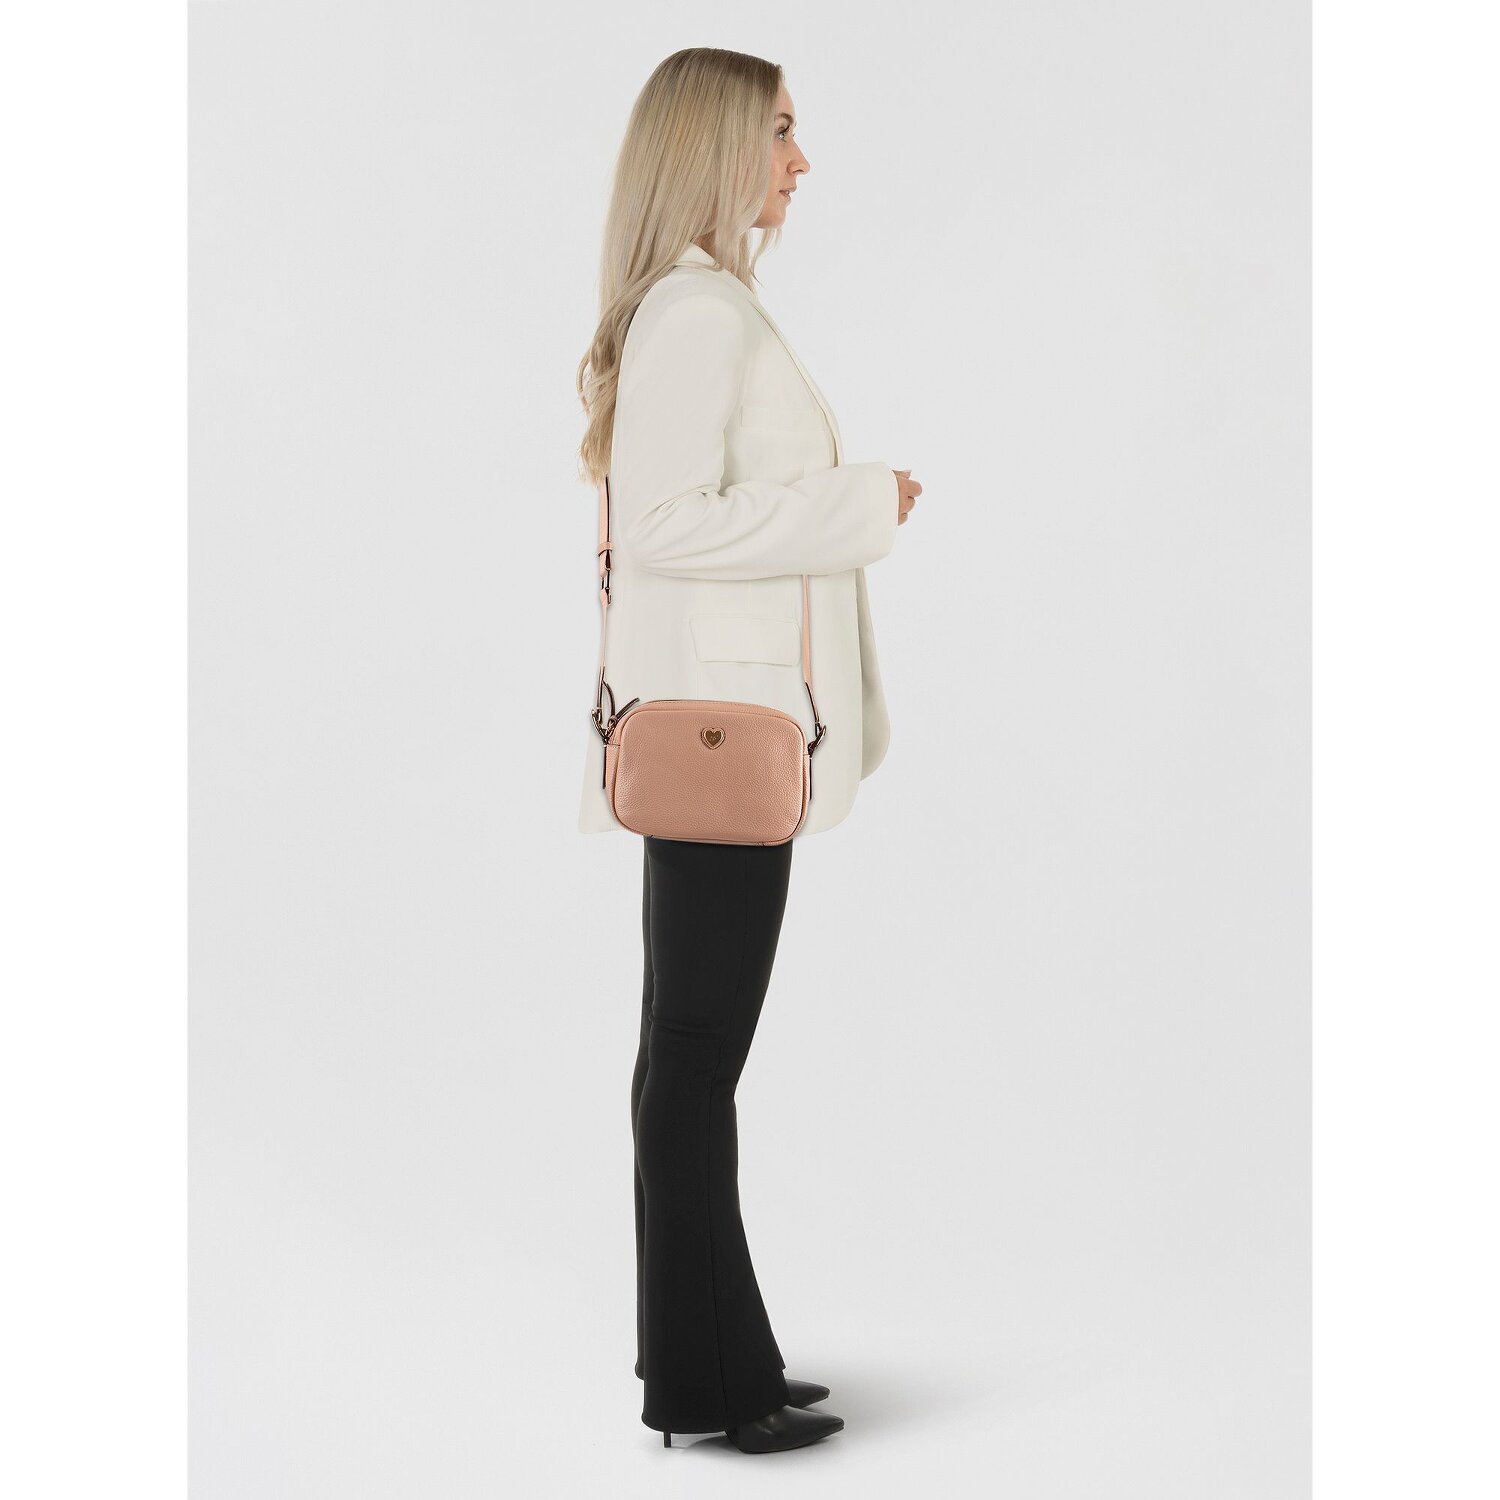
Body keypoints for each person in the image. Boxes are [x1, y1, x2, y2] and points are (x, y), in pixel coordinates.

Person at [574, 47, 922, 1454]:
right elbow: (669, 525)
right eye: (779, 131)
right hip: (726, 745)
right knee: (695, 1066)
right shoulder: (700, 313)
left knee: (683, 1060)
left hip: (713, 733)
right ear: (717, 147)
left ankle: (713, 1365)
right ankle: (712, 1387)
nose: (799, 160)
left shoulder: (697, 305)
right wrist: (861, 502)